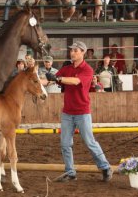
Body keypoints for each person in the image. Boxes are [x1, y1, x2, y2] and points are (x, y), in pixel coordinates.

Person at [46, 41, 113, 183]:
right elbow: (50, 81)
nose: (72, 53)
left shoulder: (87, 70)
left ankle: (105, 166)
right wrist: (35, 80)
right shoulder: (66, 68)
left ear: (83, 52)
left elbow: (76, 81)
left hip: (82, 112)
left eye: (76, 50)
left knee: (89, 142)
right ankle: (70, 172)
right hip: (67, 112)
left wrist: (58, 78)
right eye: (71, 50)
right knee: (65, 144)